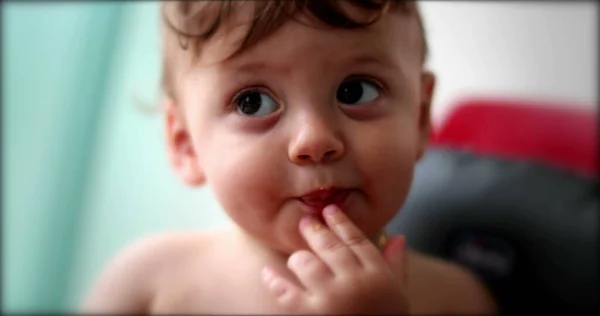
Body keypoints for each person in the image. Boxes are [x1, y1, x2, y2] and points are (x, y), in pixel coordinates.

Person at [81, 1, 497, 314]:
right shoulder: (149, 282)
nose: (314, 140)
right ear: (186, 144)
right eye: (252, 102)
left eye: (356, 91)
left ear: (420, 119)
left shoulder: (456, 299)